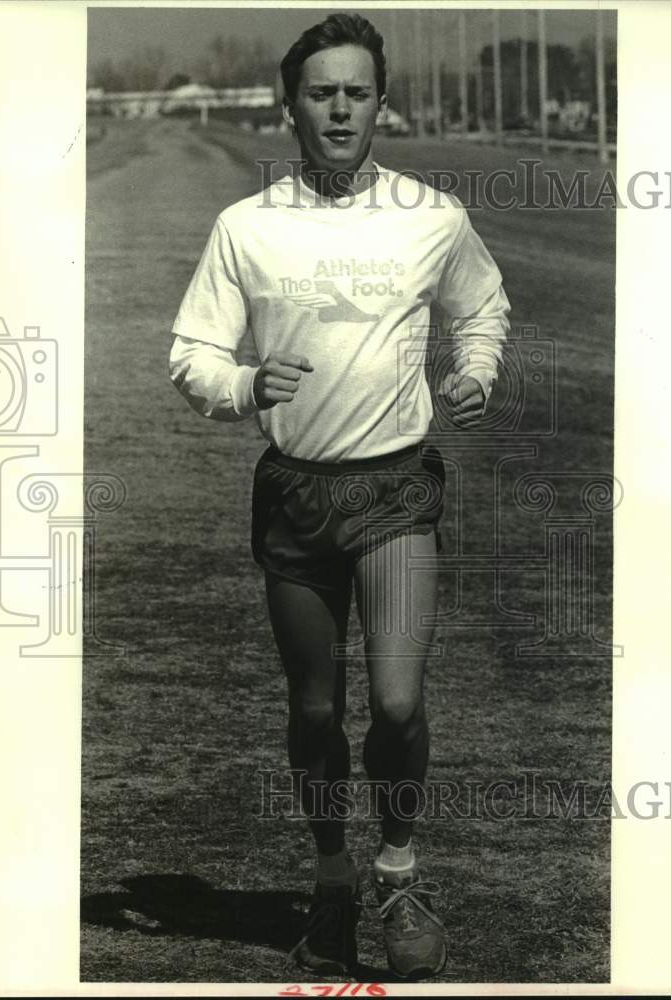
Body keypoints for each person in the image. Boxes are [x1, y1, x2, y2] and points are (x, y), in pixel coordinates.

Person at [168, 12, 510, 981]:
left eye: (357, 91)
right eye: (321, 92)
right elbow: (192, 349)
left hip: (396, 487)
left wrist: (475, 366)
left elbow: (479, 301)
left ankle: (400, 874)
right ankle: (331, 882)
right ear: (291, 107)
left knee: (397, 703)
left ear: (382, 104)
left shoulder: (431, 214)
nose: (340, 108)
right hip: (294, 497)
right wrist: (240, 385)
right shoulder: (246, 227)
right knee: (315, 712)